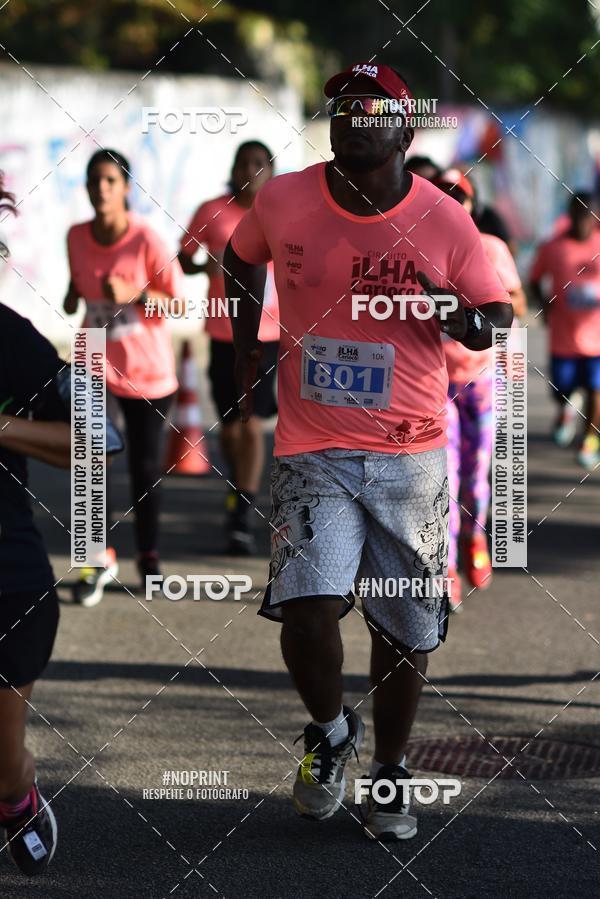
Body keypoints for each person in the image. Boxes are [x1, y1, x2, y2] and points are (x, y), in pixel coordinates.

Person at [225, 63, 512, 840]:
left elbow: (499, 314)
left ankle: (389, 768)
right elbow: (238, 251)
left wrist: (465, 322)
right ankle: (330, 732)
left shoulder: (445, 219)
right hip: (311, 444)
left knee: (401, 624)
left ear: (405, 131)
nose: (353, 117)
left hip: (409, 454)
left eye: (371, 108)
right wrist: (247, 345)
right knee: (306, 607)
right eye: (342, 107)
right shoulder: (282, 197)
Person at [64, 149, 183, 606]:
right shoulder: (75, 236)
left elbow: (176, 304)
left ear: (126, 187)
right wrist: (75, 293)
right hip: (93, 359)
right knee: (90, 463)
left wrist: (135, 293)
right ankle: (95, 559)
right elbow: (78, 284)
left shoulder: (146, 240)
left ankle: (149, 558)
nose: (101, 188)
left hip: (147, 370)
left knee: (144, 467)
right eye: (95, 180)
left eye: (111, 180)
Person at [0, 173, 67, 874]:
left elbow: (87, 439)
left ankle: (16, 795)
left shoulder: (9, 339)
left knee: (2, 766)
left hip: (7, 582)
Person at [178, 141, 280, 555]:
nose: (250, 171)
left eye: (260, 164)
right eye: (244, 163)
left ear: (271, 172)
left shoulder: (279, 212)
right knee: (232, 423)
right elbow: (184, 258)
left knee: (252, 420)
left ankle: (243, 509)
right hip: (223, 333)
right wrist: (208, 264)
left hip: (268, 334)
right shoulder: (211, 211)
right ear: (233, 168)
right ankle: (239, 488)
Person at [434, 169, 526, 608]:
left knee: (475, 472)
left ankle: (475, 538)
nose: (453, 205)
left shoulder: (492, 249)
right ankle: (447, 563)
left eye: (460, 197)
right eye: (444, 197)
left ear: (473, 205)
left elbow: (515, 308)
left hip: (484, 381)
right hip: (435, 383)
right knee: (446, 476)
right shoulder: (419, 250)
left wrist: (514, 366)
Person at [530, 193, 600, 468]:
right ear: (569, 216)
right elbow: (535, 280)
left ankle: (589, 441)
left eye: (589, 217)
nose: (584, 222)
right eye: (578, 216)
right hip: (564, 338)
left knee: (596, 390)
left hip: (597, 340)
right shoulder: (553, 247)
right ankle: (566, 410)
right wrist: (545, 306)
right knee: (561, 389)